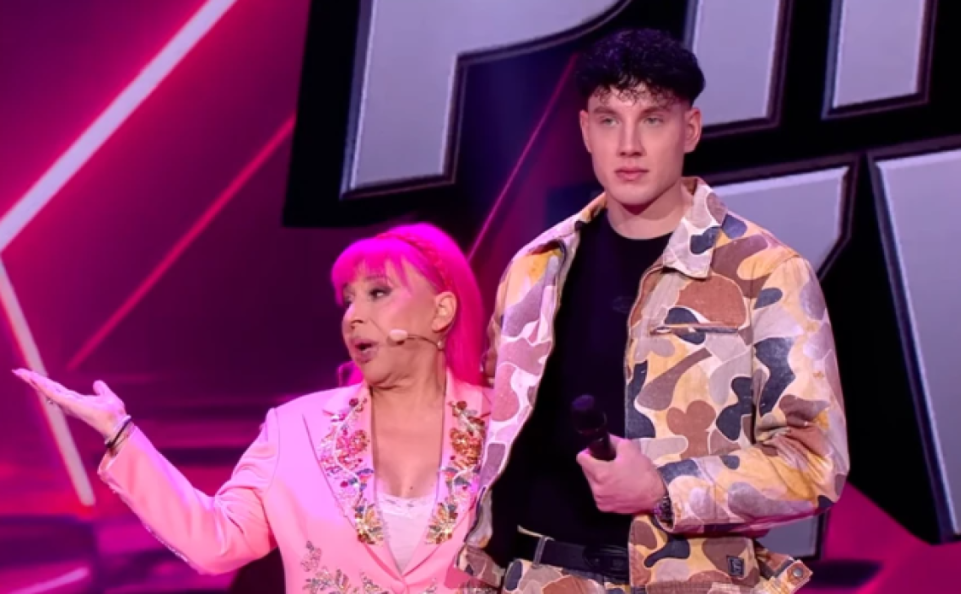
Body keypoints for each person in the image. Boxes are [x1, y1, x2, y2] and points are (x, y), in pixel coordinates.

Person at [454, 29, 850, 594]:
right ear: (586, 131)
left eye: (653, 120)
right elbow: (496, 430)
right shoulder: (535, 269)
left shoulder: (764, 272)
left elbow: (814, 463)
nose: (629, 145)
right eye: (609, 120)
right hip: (539, 579)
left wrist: (665, 486)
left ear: (690, 129)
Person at [15, 223, 493, 594]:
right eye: (348, 300)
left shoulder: (505, 427)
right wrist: (120, 432)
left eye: (378, 293)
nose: (353, 315)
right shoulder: (297, 429)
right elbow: (216, 540)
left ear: (441, 311)